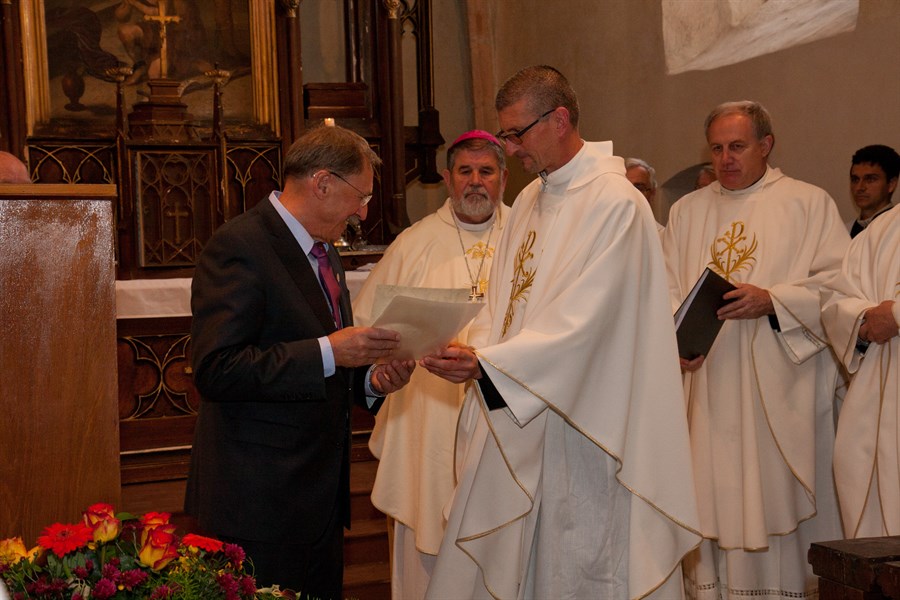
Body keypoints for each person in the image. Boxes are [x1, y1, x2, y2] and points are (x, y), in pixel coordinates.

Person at [420, 65, 701, 600]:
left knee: (580, 562)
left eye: (516, 134)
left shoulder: (615, 203)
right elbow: (504, 304)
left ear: (560, 119)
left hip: (587, 425)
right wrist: (472, 350)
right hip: (520, 408)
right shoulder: (531, 200)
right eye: (505, 134)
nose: (510, 149)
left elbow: (588, 322)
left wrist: (491, 366)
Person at [185, 125, 415, 600]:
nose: (363, 212)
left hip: (317, 501)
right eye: (361, 196)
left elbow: (325, 364)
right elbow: (217, 368)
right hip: (257, 505)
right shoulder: (240, 245)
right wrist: (331, 351)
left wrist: (371, 381)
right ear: (323, 183)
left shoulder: (325, 250)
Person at [661, 100, 848, 598]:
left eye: (738, 147)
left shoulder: (808, 203)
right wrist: (675, 341)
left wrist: (774, 300)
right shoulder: (686, 212)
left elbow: (838, 289)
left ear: (766, 145)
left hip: (777, 387)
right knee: (710, 494)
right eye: (717, 148)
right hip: (706, 381)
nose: (726, 159)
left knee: (770, 494)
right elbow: (665, 291)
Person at [352, 129, 510, 599]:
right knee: (429, 533)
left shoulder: (529, 236)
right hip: (429, 408)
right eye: (465, 171)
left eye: (487, 171)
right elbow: (366, 325)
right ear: (447, 178)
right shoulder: (414, 242)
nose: (475, 181)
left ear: (504, 179)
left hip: (504, 410)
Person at [822, 206, 900, 538]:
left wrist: (896, 315)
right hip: (876, 410)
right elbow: (836, 298)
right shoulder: (885, 228)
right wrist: (863, 321)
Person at [847, 144, 899, 238]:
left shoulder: (896, 230)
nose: (860, 187)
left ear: (891, 184)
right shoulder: (844, 232)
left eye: (870, 179)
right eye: (855, 179)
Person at [625, 156, 664, 232]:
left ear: (652, 193)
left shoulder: (662, 236)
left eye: (639, 188)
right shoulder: (606, 232)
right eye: (625, 187)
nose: (631, 193)